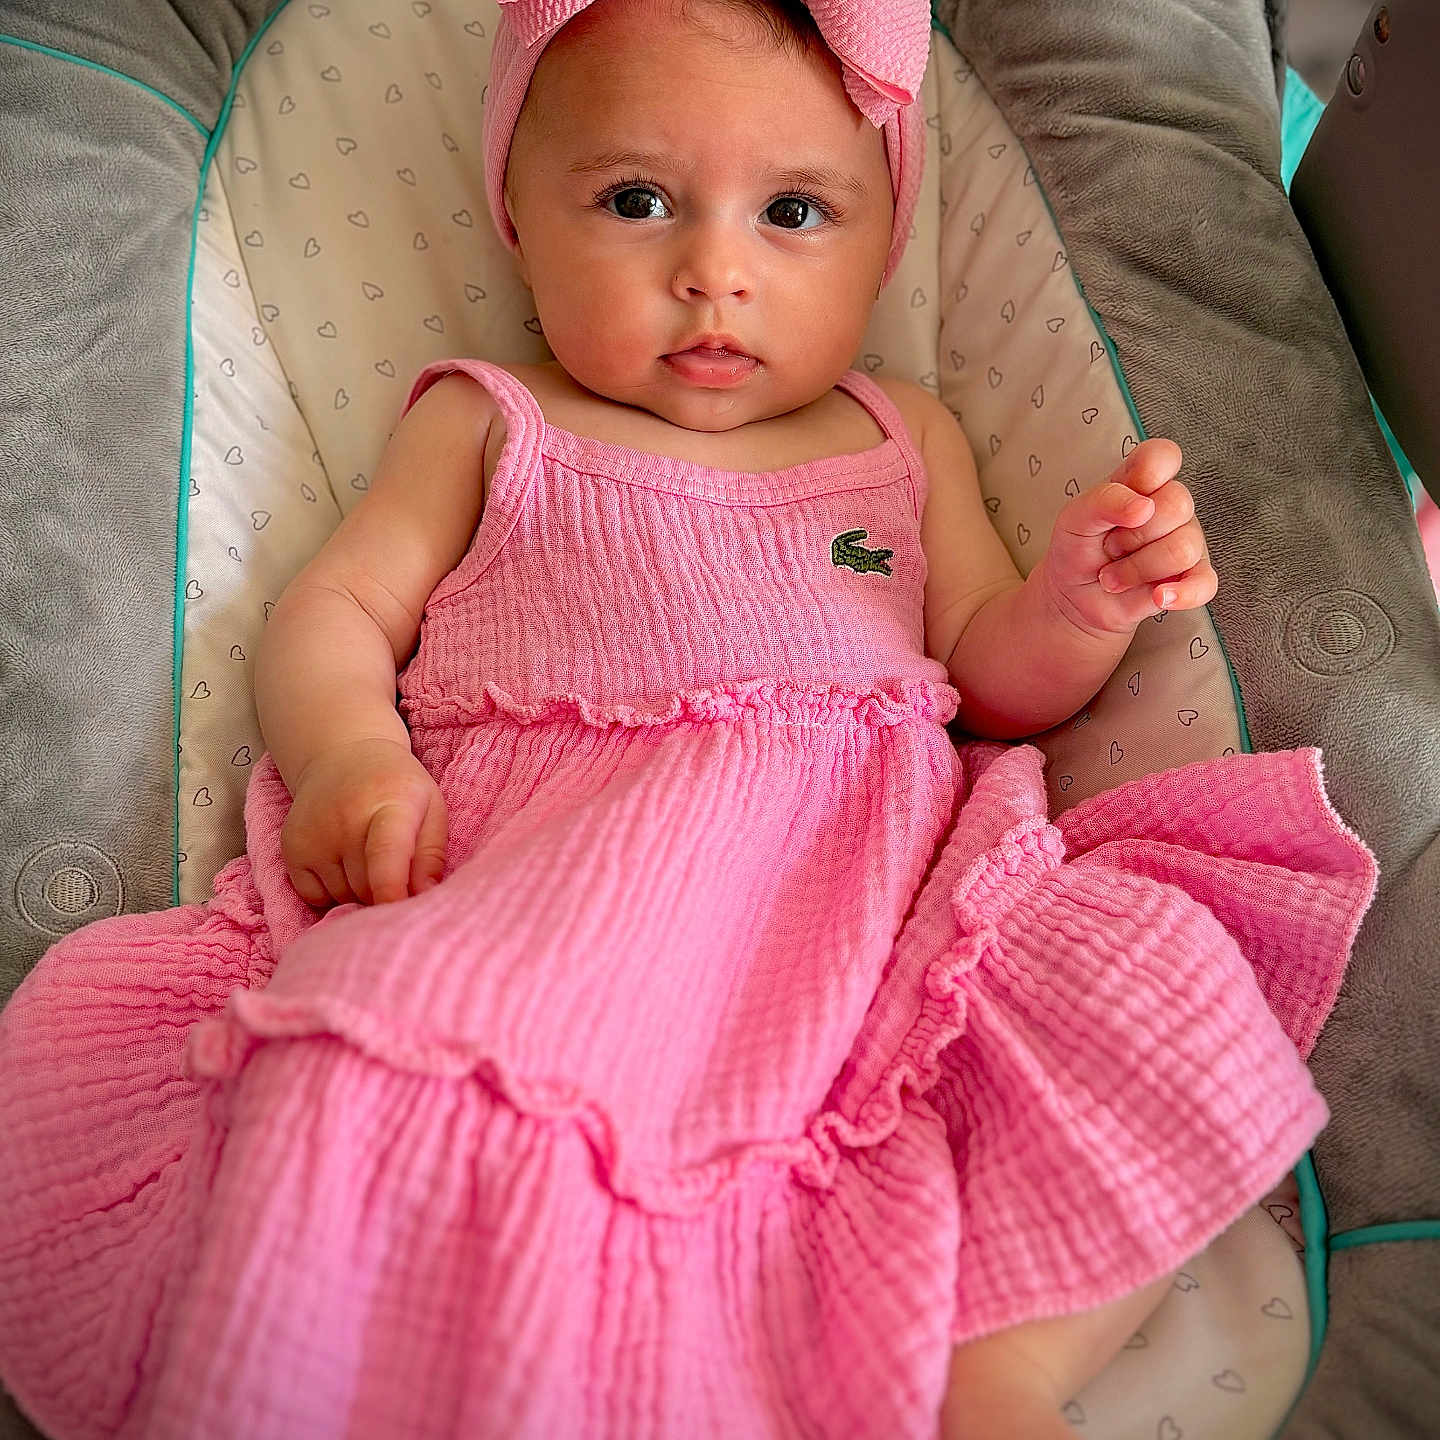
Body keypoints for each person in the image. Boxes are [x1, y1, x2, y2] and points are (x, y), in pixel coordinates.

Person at [0, 0, 1377, 1436]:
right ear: (521, 225)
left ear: (884, 238)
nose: (714, 270)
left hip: (857, 918)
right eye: (637, 201)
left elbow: (988, 675)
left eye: (794, 212)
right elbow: (335, 611)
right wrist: (355, 755)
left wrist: (1083, 606)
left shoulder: (904, 434)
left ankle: (995, 1373)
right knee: (389, 1039)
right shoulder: (491, 417)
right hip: (555, 891)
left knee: (1153, 971)